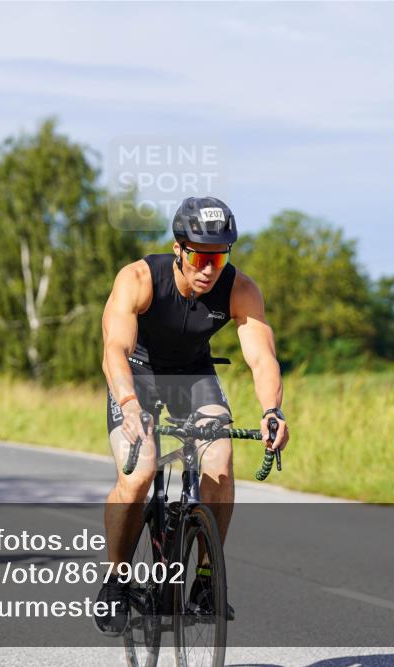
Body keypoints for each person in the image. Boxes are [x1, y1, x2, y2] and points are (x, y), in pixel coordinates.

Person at [95, 196, 289, 635]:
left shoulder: (240, 289)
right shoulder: (140, 278)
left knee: (219, 460)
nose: (208, 269)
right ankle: (117, 579)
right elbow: (115, 350)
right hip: (137, 373)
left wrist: (272, 411)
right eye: (200, 256)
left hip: (193, 373)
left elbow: (261, 358)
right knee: (139, 472)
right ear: (179, 249)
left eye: (218, 258)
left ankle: (205, 580)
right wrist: (128, 406)